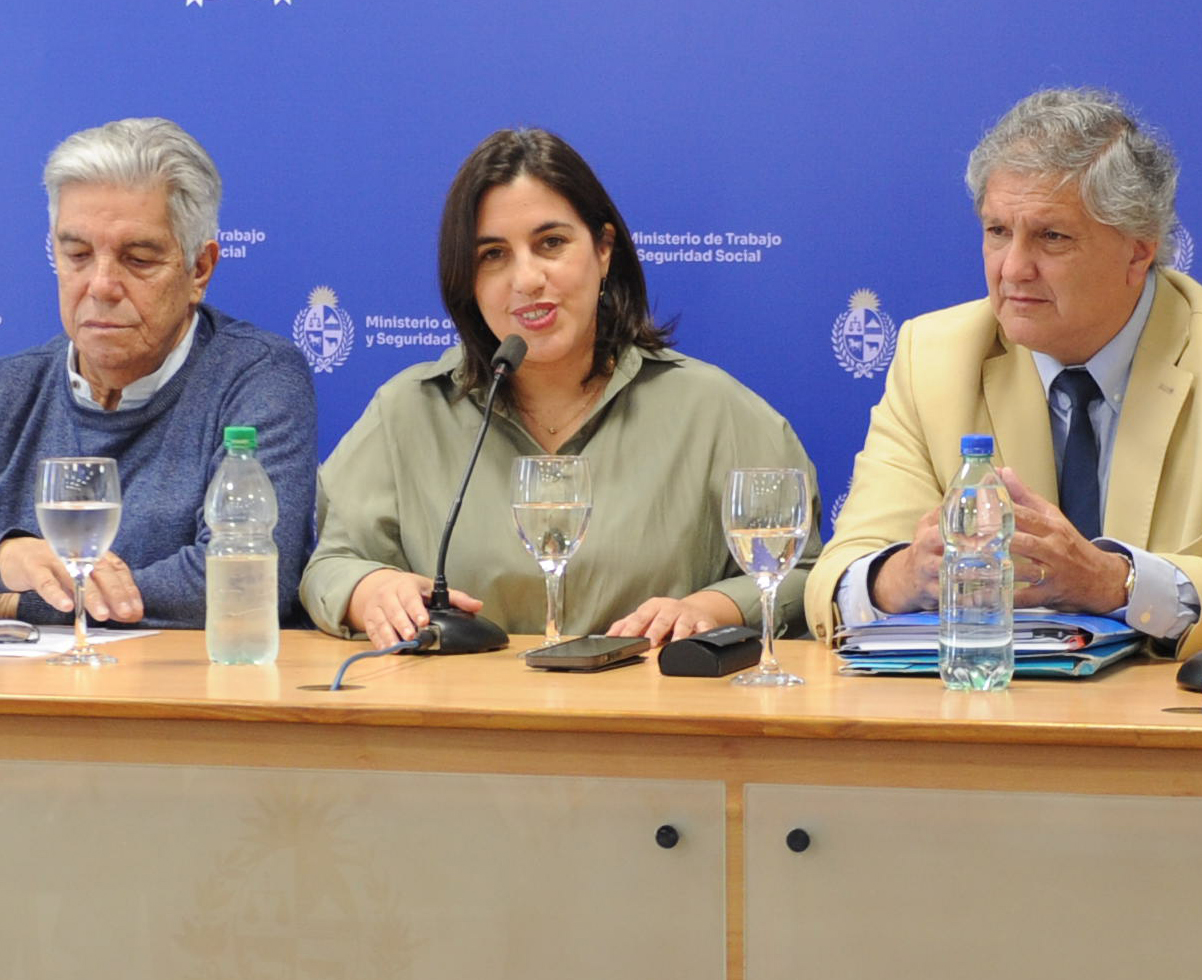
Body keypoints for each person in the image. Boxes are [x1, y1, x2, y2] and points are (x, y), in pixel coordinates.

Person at [806, 89, 1202, 650]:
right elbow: (836, 579)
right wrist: (906, 575)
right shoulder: (933, 355)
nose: (1013, 269)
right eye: (998, 231)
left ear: (1138, 252)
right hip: (984, 706)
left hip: (1165, 717)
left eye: (1051, 237)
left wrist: (1108, 582)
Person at [303, 130, 818, 648]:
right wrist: (372, 589)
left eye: (551, 243)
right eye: (493, 255)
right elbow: (329, 565)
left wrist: (709, 609)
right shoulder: (408, 411)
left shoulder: (714, 410)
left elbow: (808, 576)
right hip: (464, 719)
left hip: (652, 715)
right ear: (467, 280)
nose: (526, 279)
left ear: (603, 250)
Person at [0, 119, 317, 627]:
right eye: (77, 255)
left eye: (138, 258)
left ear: (200, 270)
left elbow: (246, 581)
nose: (100, 284)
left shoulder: (257, 379)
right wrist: (1, 561)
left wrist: (15, 600)